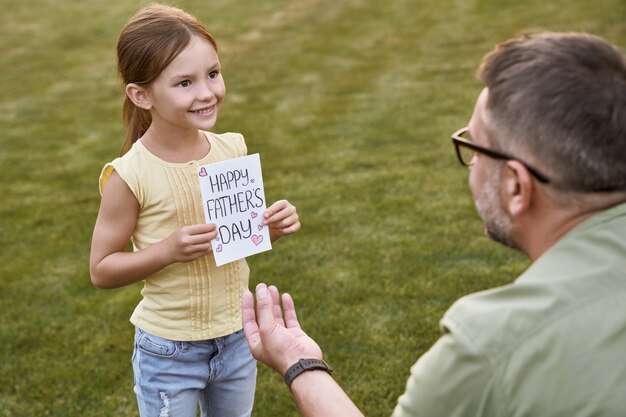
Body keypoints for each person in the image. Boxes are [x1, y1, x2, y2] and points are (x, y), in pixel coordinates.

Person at [242, 31, 626, 417]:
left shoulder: (491, 343)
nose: (472, 165)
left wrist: (299, 364)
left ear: (515, 186)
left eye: (474, 147)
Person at [89, 4, 301, 417]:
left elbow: (235, 239)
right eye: (184, 82)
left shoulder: (231, 148)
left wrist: (268, 229)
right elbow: (101, 269)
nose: (206, 92)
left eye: (213, 74)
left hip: (237, 336)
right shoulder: (129, 175)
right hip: (169, 350)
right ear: (141, 95)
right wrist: (166, 250)